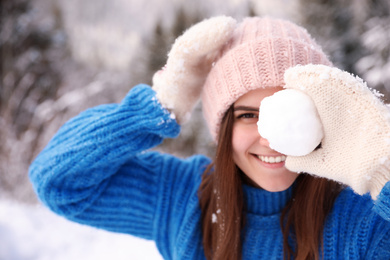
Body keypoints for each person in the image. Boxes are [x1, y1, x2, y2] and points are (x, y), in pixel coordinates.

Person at [29, 16, 390, 260]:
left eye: (291, 114)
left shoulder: (360, 218)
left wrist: (382, 171)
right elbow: (58, 181)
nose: (271, 139)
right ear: (222, 128)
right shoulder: (181, 196)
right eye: (248, 115)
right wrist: (160, 104)